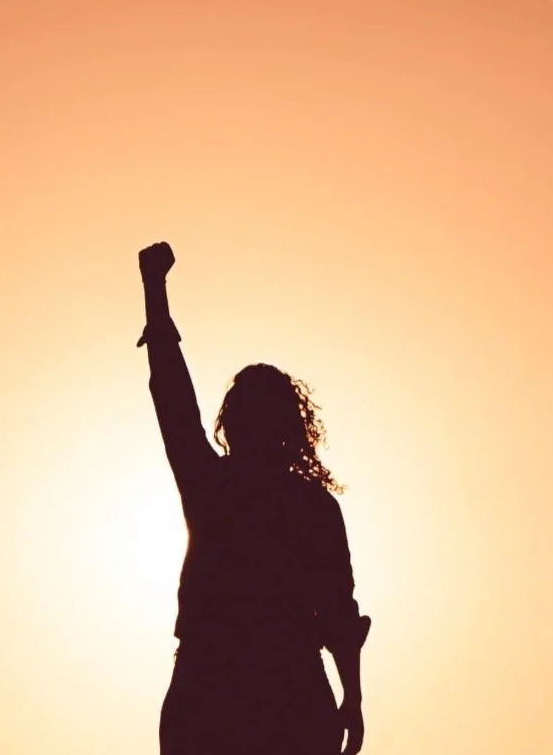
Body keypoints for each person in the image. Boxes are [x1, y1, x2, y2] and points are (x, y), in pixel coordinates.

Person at [137, 241, 371, 755]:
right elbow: (171, 395)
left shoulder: (222, 488)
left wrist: (352, 697)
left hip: (248, 691)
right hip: (243, 688)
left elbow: (338, 611)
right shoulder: (295, 503)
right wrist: (351, 697)